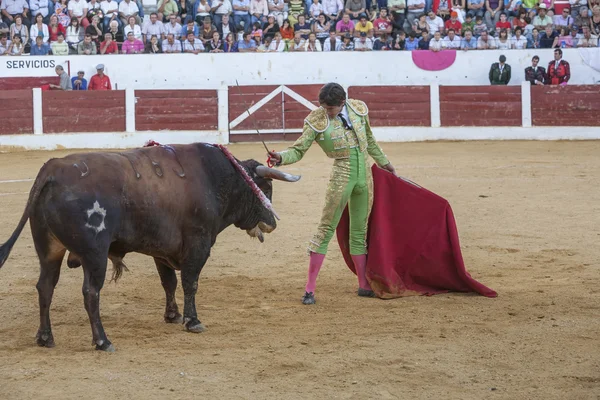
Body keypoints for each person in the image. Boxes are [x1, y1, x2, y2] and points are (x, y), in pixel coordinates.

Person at [267, 83, 396, 305]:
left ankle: (364, 286)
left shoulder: (358, 109)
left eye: (331, 108)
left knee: (359, 232)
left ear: (342, 102)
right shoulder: (316, 120)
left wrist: (385, 163)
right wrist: (281, 157)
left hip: (365, 177)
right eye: (324, 107)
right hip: (341, 176)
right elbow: (299, 150)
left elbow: (370, 141)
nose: (327, 112)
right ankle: (309, 289)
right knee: (326, 228)